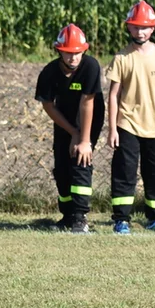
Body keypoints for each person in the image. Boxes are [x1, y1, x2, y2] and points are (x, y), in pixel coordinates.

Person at [106, 0, 155, 235]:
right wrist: (112, 129)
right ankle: (121, 220)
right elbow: (113, 96)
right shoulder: (122, 58)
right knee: (124, 174)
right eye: (136, 27)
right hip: (128, 125)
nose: (140, 31)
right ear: (129, 28)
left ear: (153, 28)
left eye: (145, 27)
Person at [35, 23, 104, 234]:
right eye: (67, 53)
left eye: (77, 53)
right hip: (63, 122)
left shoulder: (91, 67)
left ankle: (80, 217)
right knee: (62, 168)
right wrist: (71, 132)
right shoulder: (48, 72)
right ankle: (66, 214)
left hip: (88, 120)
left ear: (84, 50)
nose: (73, 58)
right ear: (59, 51)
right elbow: (48, 105)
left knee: (80, 163)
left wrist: (84, 140)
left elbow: (87, 102)